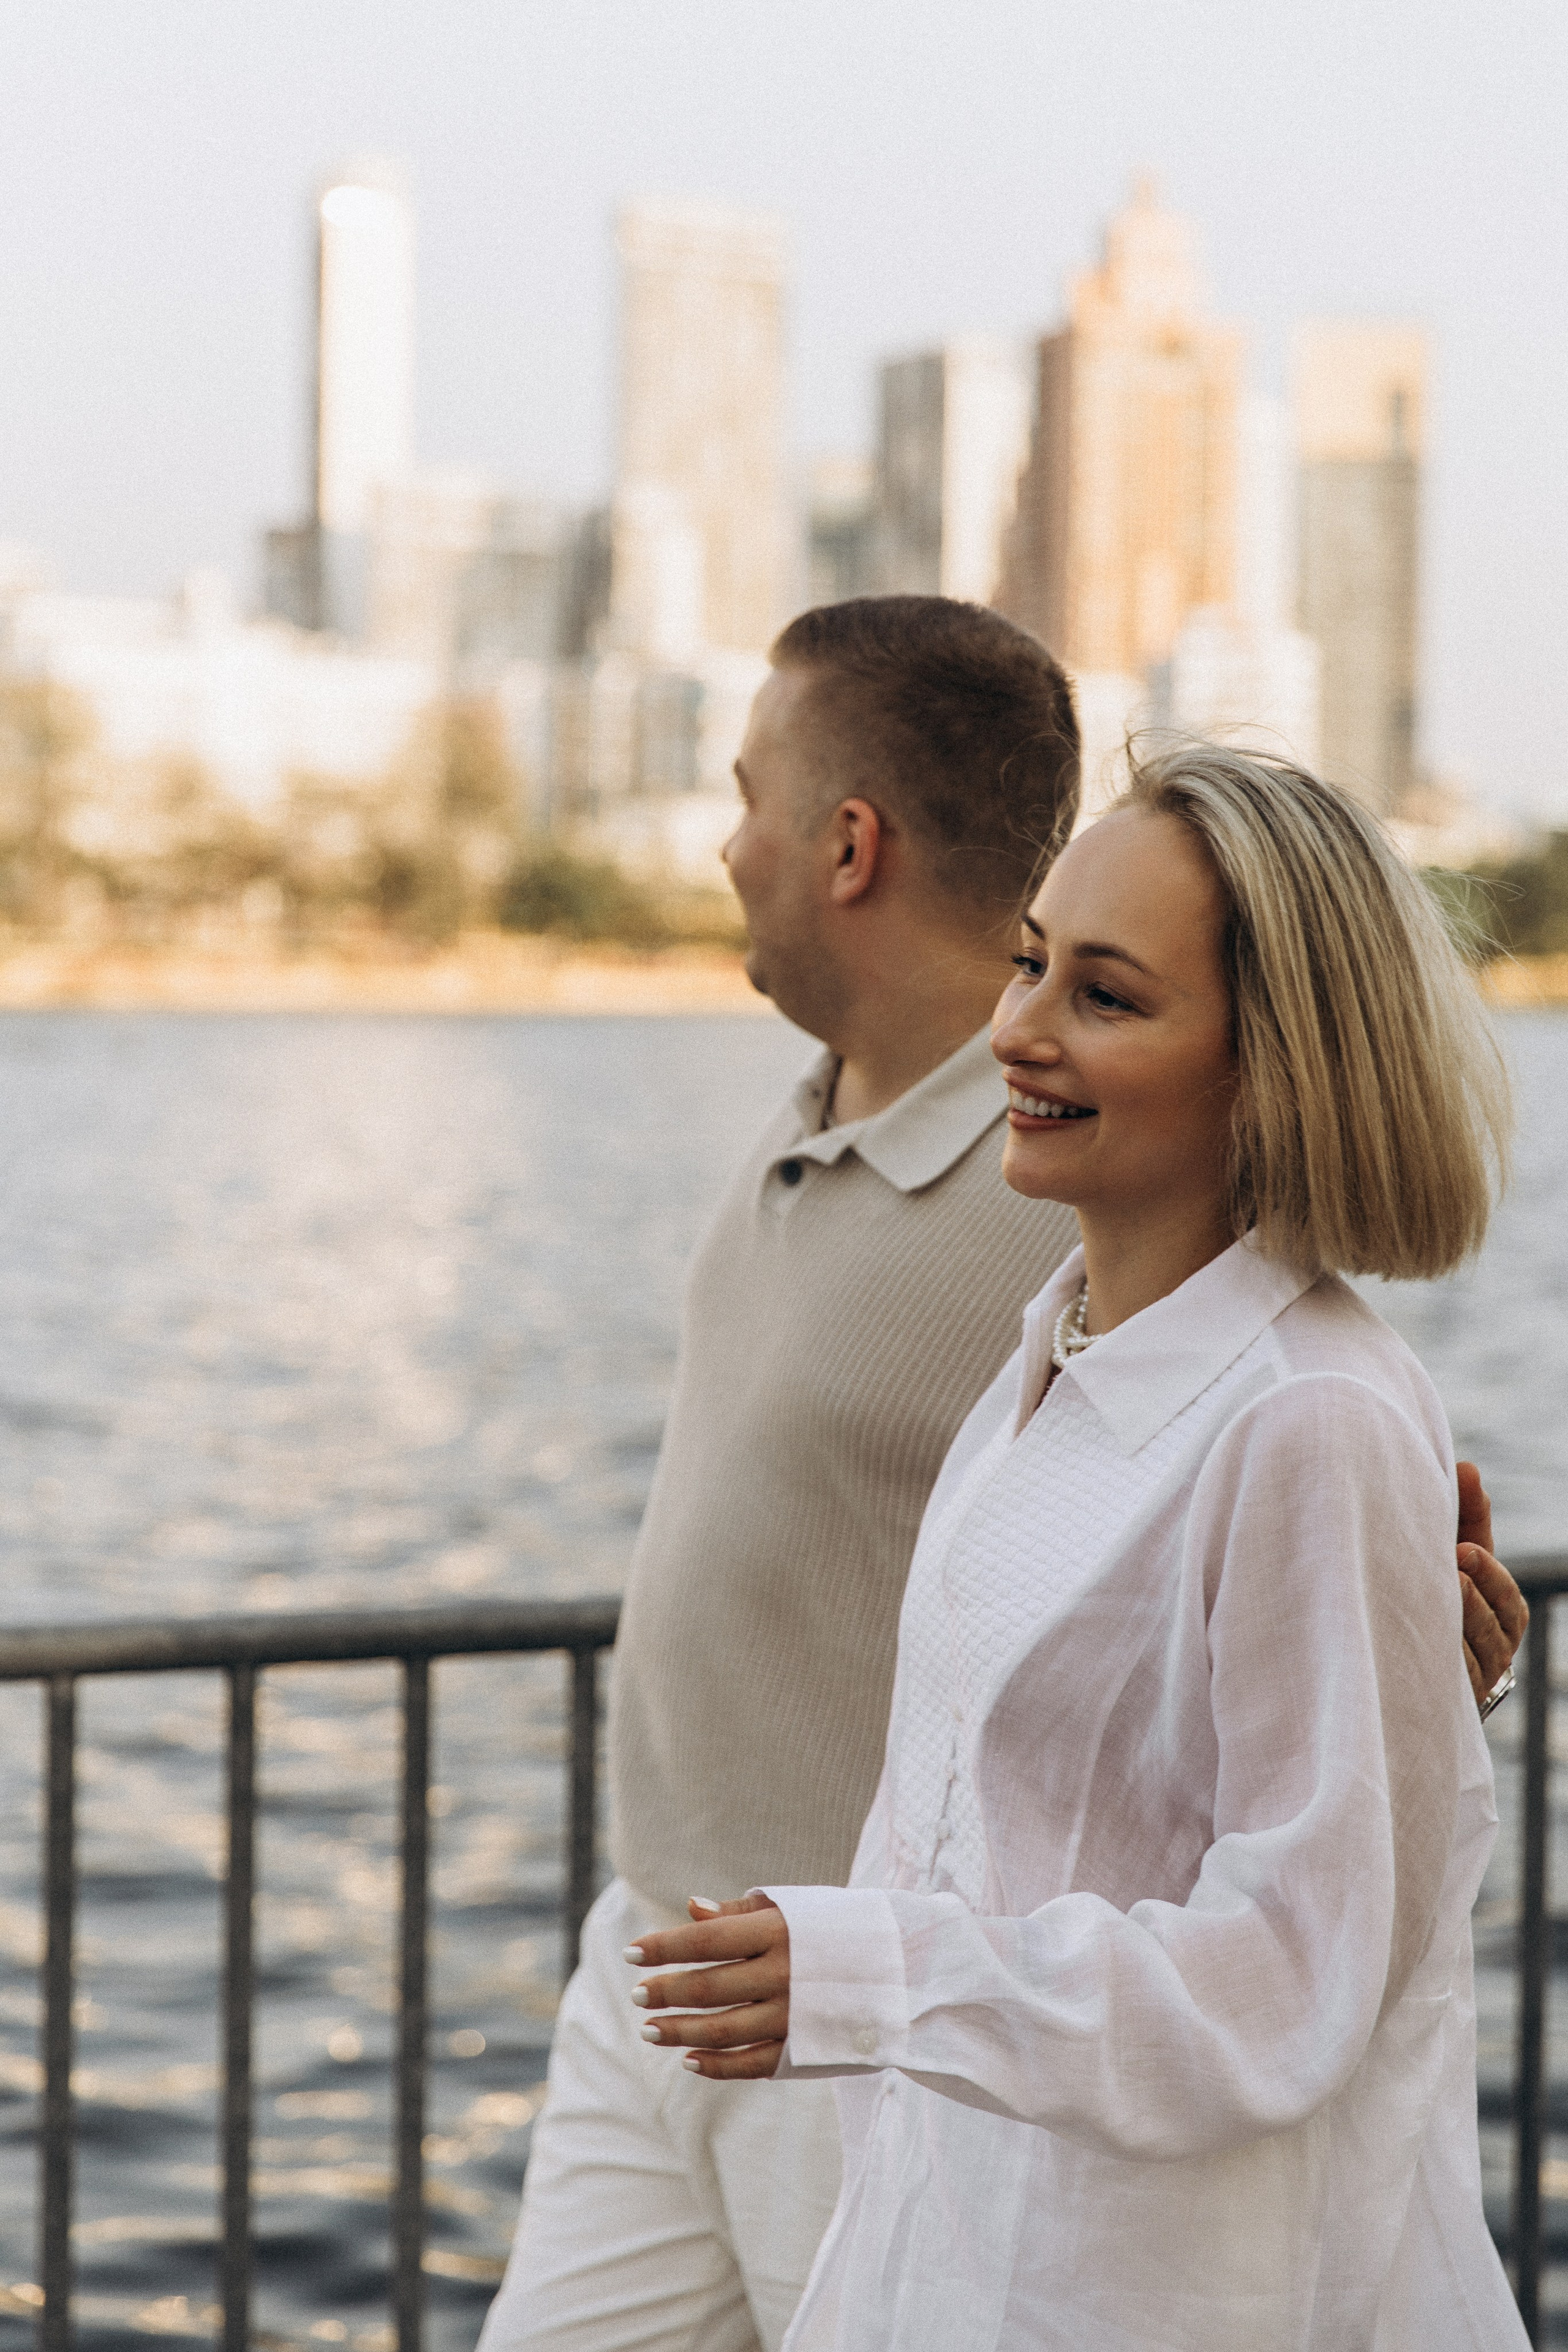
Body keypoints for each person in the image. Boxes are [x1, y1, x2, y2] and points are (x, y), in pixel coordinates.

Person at [480, 606, 1525, 2352]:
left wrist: (870, 1976)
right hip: (900, 2128)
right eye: (1034, 962)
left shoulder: (1308, 1410)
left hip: (1092, 2222)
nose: (1022, 1028)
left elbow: (1292, 1964)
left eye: (1102, 994)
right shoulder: (1056, 1346)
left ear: (1275, 1067)